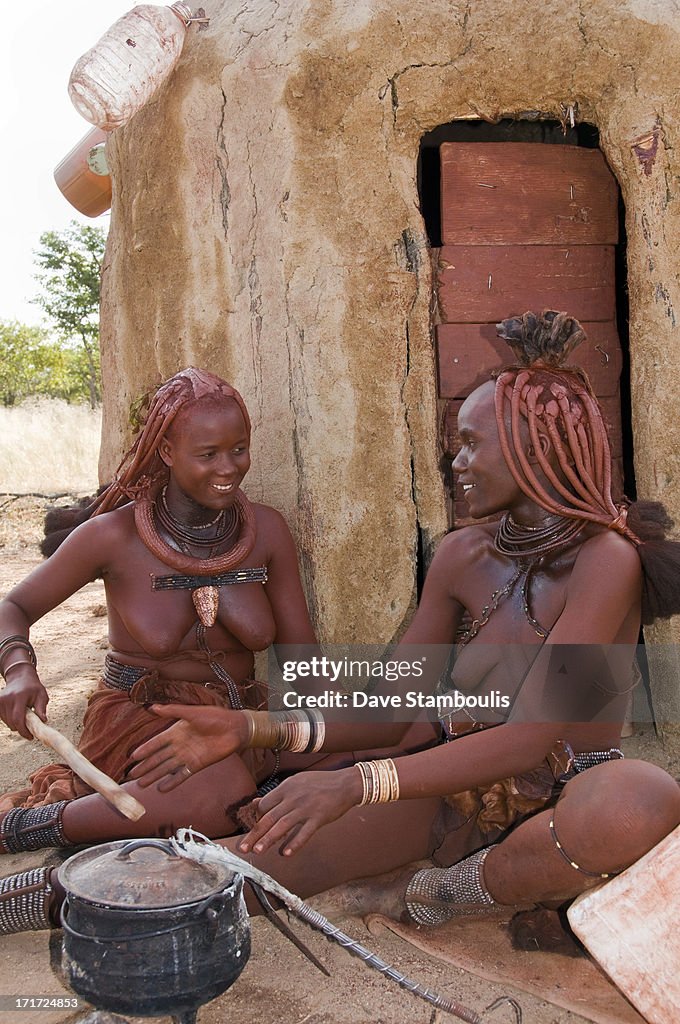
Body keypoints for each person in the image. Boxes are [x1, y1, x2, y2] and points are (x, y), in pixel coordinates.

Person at [2, 314, 680, 934]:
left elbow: (532, 737)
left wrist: (354, 780)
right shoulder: (462, 555)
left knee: (639, 799)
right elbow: (395, 707)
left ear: (535, 453)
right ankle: (16, 905)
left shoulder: (607, 561)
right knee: (243, 865)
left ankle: (438, 893)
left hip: (558, 797)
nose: (456, 463)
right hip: (440, 783)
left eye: (472, 445)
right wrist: (250, 728)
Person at [0, 366, 436, 933]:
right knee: (222, 788)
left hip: (240, 722)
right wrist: (17, 670)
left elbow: (301, 663)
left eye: (239, 449)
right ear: (166, 451)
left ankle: (189, 826)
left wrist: (337, 725)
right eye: (208, 454)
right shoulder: (112, 536)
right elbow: (13, 608)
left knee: (401, 741)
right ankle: (35, 829)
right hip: (145, 722)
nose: (229, 468)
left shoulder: (268, 532)